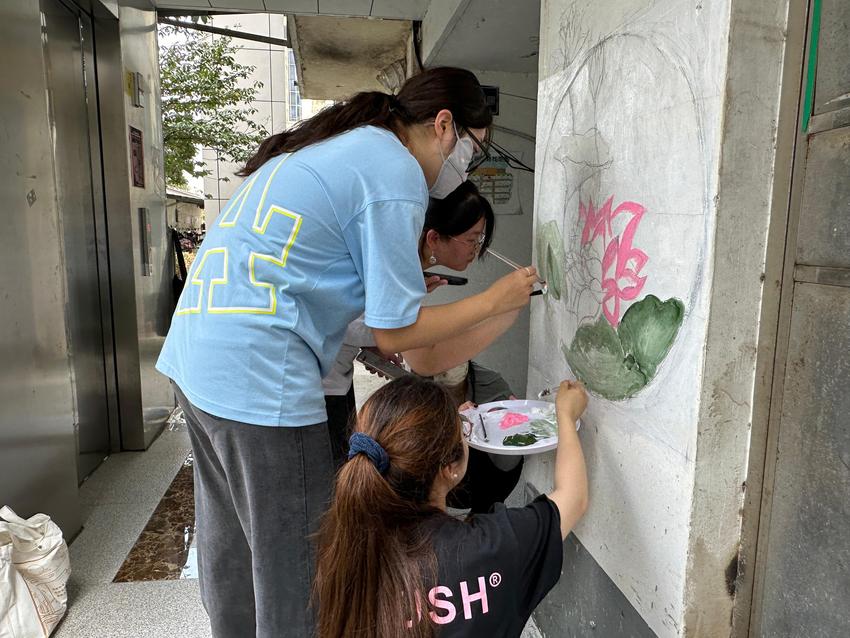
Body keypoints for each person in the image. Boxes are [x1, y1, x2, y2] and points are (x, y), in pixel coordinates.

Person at [156, 67, 540, 637]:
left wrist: (490, 308)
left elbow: (407, 342)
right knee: (303, 565)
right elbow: (398, 335)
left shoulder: (343, 146)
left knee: (233, 549)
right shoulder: (395, 170)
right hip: (262, 375)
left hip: (200, 355)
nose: (468, 166)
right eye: (473, 149)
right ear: (443, 126)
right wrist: (495, 300)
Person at [314, 376, 588, 637]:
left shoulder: (346, 548)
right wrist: (565, 415)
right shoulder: (489, 549)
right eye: (464, 430)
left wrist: (443, 430)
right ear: (450, 469)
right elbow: (573, 496)